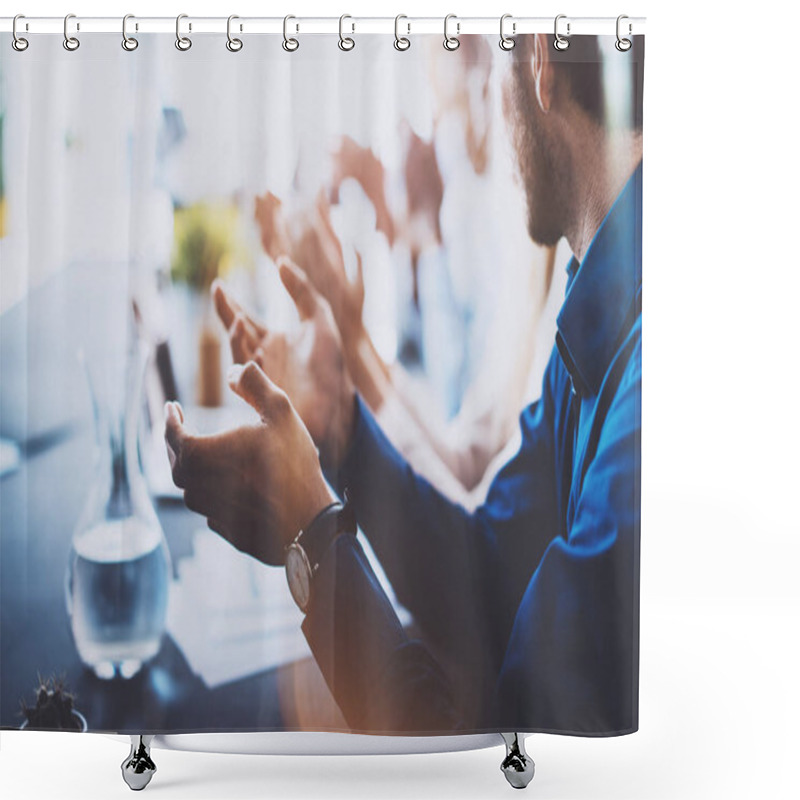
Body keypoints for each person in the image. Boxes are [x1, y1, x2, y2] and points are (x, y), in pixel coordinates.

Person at [165, 33, 643, 734]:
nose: (491, 109)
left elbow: (480, 742)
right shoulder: (595, 298)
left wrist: (314, 533)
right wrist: (345, 428)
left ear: (539, 65)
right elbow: (486, 577)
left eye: (494, 77)